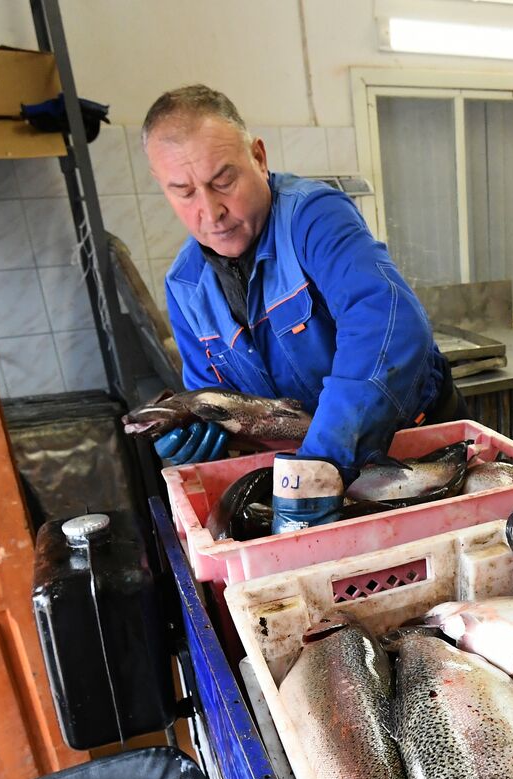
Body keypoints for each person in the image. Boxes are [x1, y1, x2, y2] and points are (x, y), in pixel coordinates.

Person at [143, 85, 462, 533]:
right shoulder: (184, 286)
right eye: (184, 192)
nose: (210, 211)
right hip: (306, 485)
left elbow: (387, 324)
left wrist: (321, 463)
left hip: (412, 448)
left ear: (258, 156)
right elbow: (222, 406)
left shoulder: (313, 217)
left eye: (223, 181)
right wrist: (204, 445)